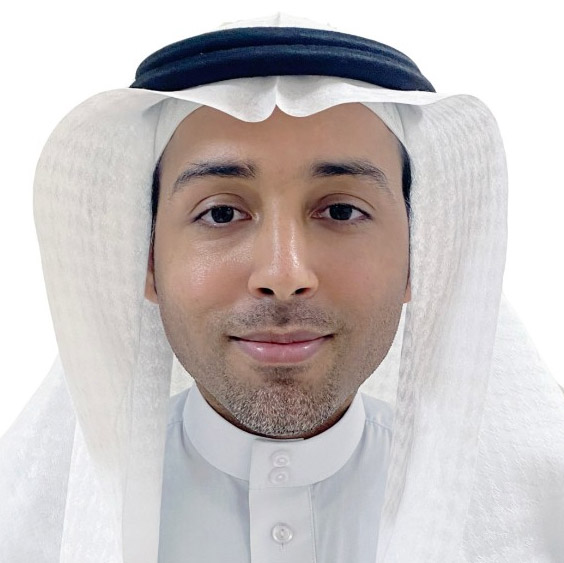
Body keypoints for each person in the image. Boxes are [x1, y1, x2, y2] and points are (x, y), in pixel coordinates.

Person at [1, 13, 563, 563]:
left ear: (421, 259)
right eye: (221, 213)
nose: (283, 274)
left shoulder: (533, 526)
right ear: (145, 261)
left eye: (341, 211)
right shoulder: (30, 532)